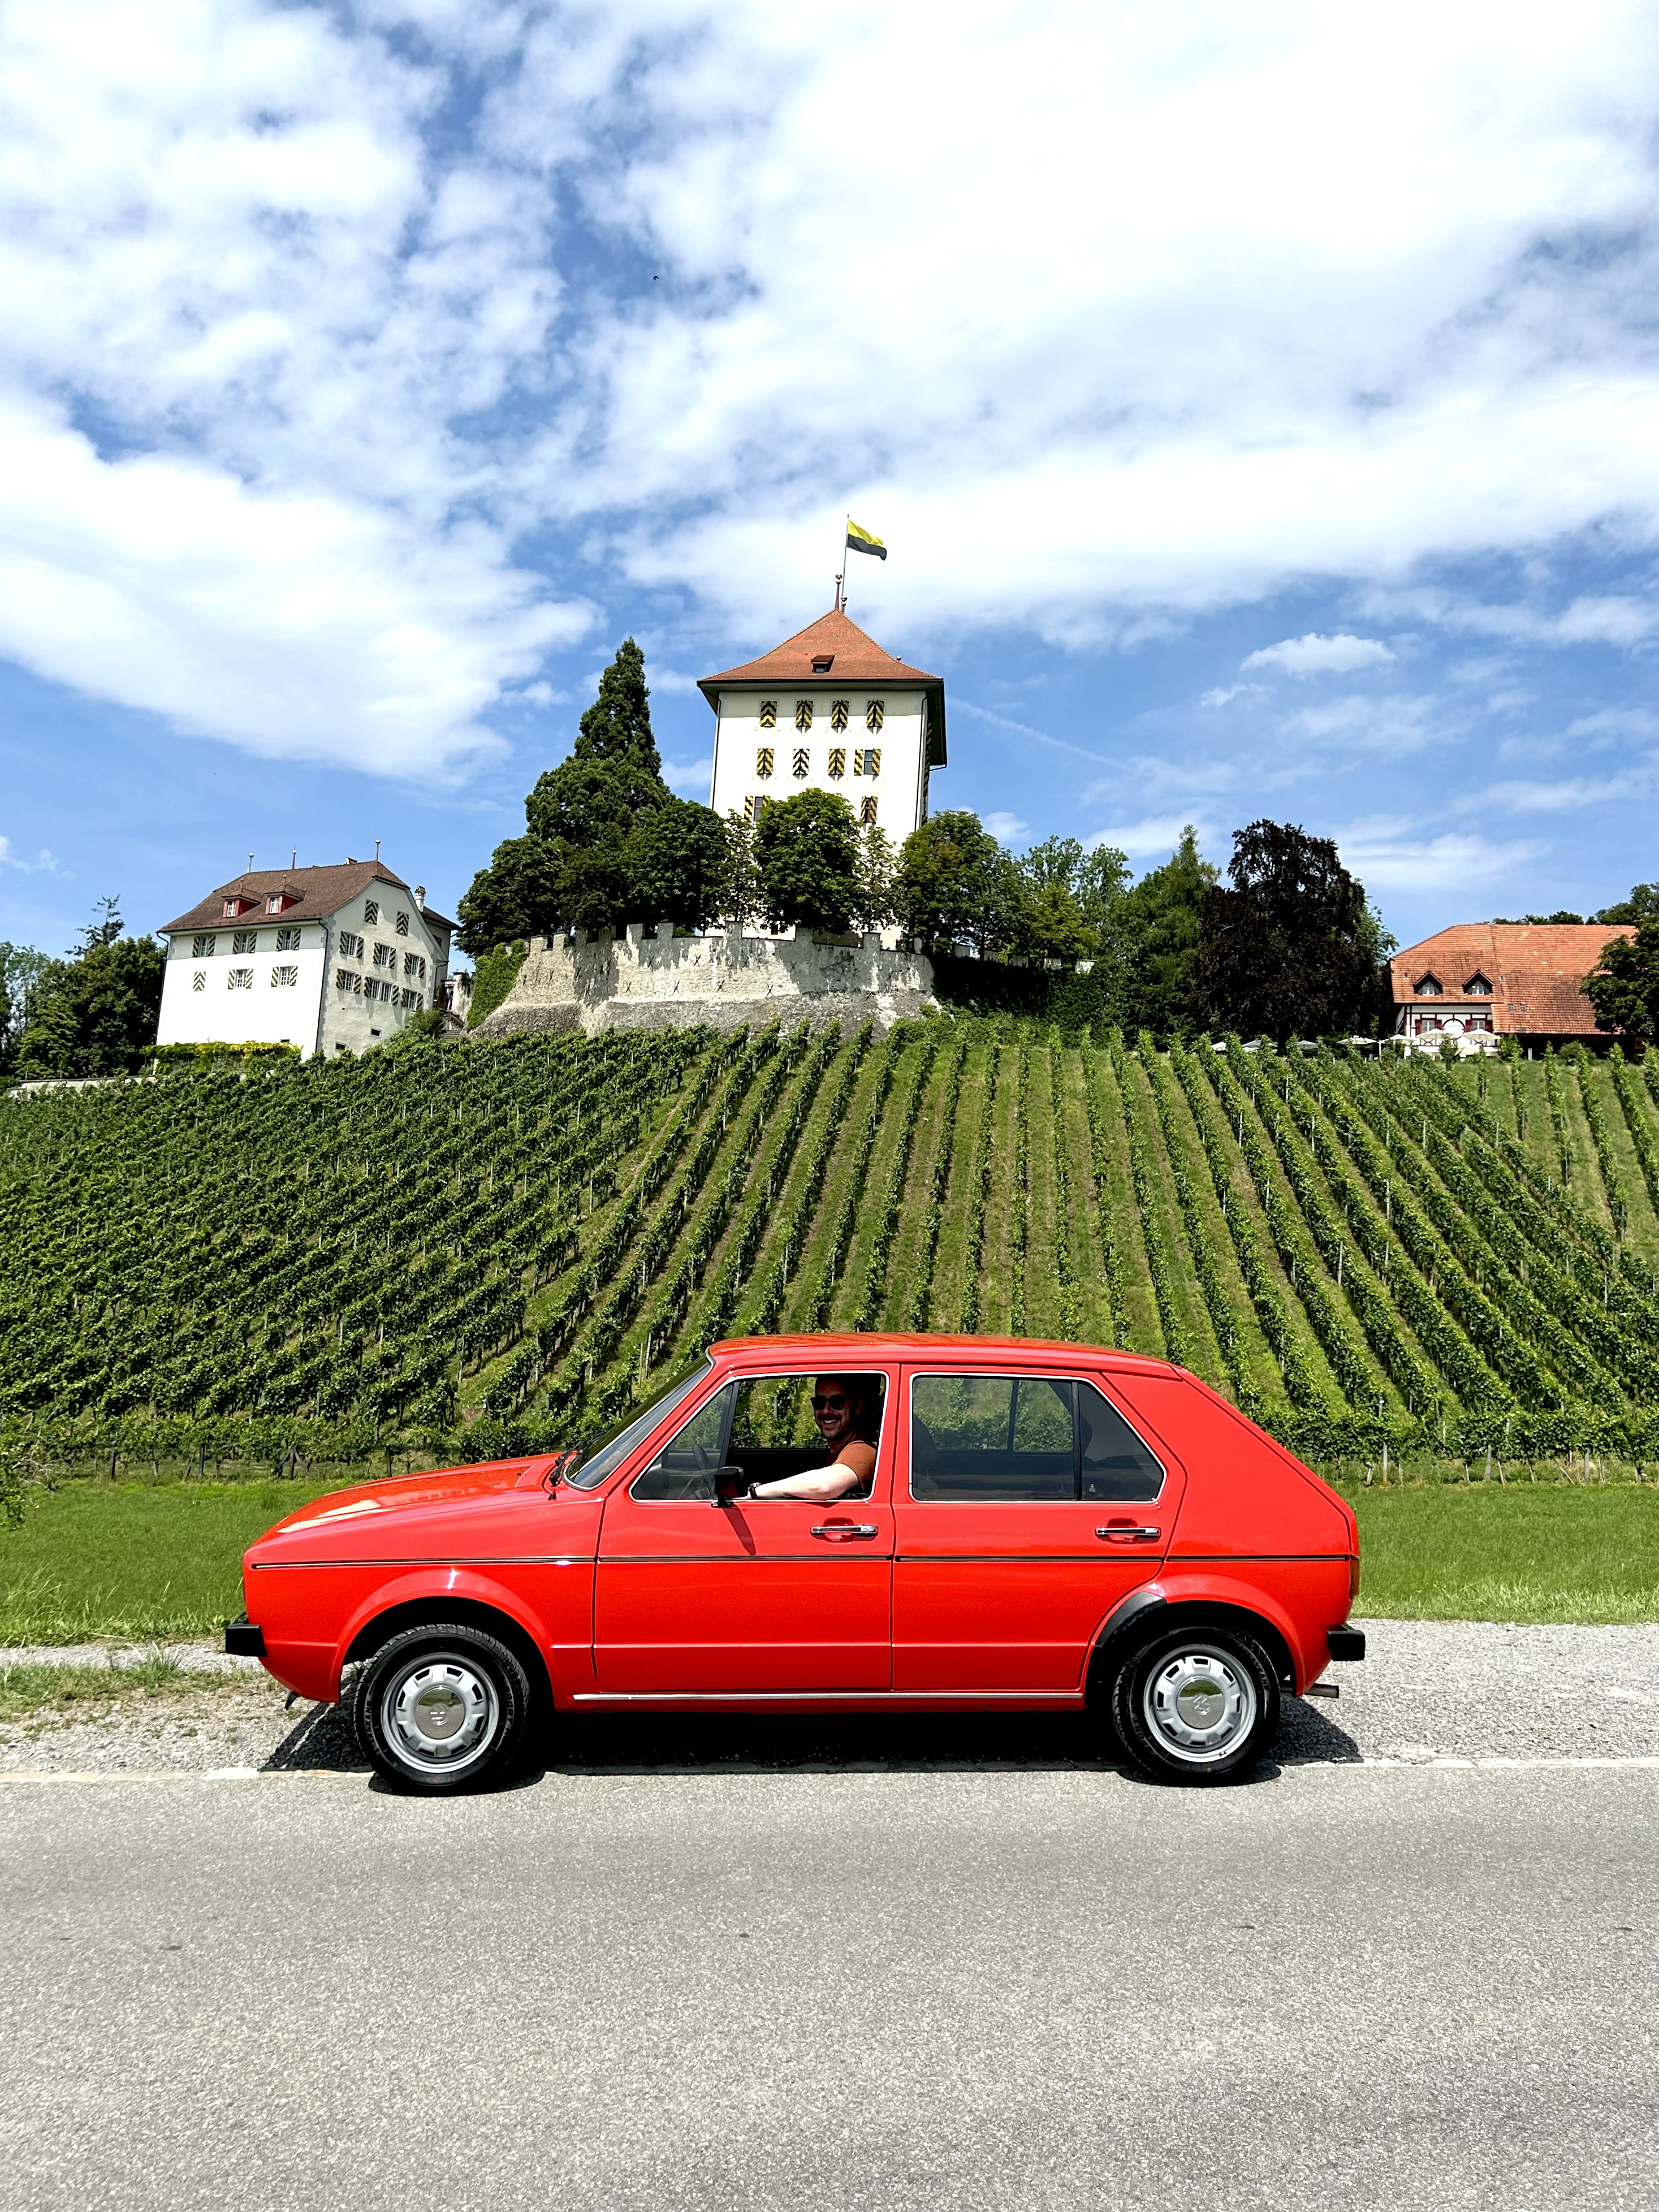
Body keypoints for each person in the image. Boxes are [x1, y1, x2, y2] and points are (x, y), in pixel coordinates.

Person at [749, 1375, 882, 1501]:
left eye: (837, 1402)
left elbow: (823, 1486)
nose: (826, 1411)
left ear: (857, 1407)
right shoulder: (841, 1451)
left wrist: (755, 1493)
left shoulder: (863, 1450)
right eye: (819, 1402)